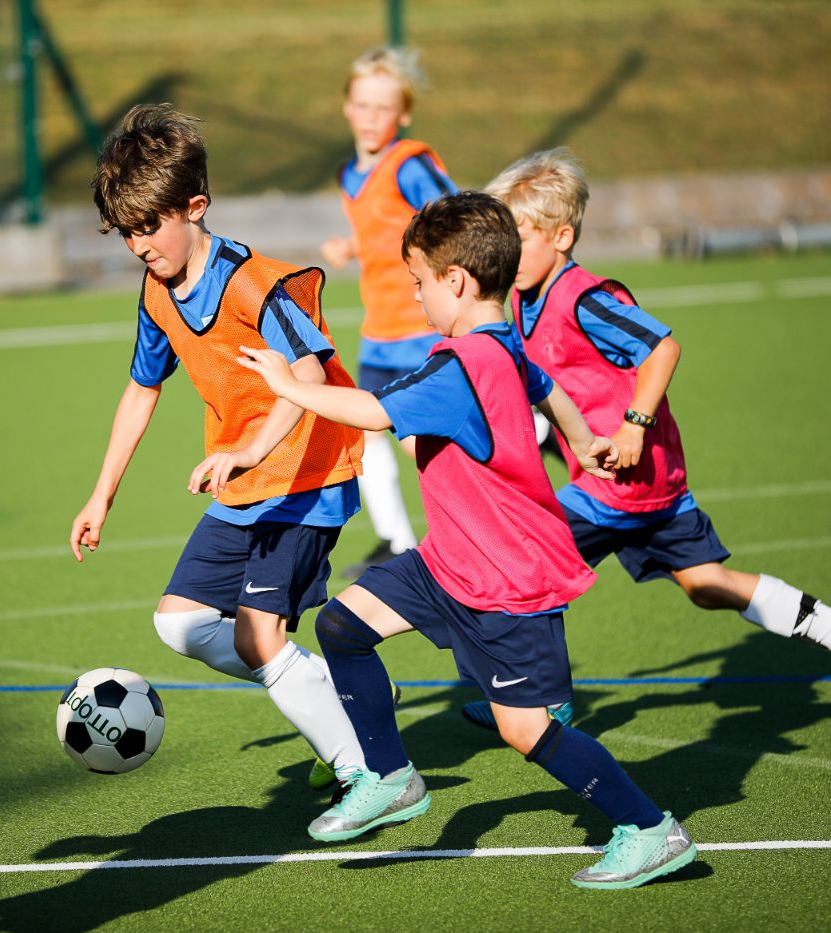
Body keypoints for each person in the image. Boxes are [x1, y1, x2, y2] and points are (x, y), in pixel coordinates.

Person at [239, 191, 697, 890]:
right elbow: (546, 385)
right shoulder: (505, 342)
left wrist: (286, 384)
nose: (415, 298)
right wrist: (582, 440)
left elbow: (368, 410)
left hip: (506, 578)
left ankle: (648, 827)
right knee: (342, 624)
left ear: (456, 281)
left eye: (419, 282)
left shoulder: (457, 364)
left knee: (525, 731)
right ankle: (392, 778)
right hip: (451, 558)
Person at [458, 148, 831, 734]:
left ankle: (541, 700)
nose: (510, 254)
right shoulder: (524, 299)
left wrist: (633, 424)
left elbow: (662, 349)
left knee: (530, 562)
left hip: (627, 481)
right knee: (706, 585)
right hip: (636, 480)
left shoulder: (586, 297)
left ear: (562, 237)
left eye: (523, 239)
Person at [70, 103, 371, 796]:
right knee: (180, 624)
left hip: (309, 474)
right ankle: (328, 698)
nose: (139, 244)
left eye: (149, 226)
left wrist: (247, 450)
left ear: (194, 207)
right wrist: (100, 494)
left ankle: (368, 769)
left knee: (258, 638)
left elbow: (310, 377)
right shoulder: (156, 292)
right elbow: (142, 390)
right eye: (126, 232)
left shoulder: (254, 281)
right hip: (248, 482)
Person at [321, 46, 456, 578]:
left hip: (422, 325)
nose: (371, 117)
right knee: (366, 431)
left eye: (383, 107)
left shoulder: (411, 164)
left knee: (422, 437)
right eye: (362, 105)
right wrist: (352, 249)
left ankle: (538, 438)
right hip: (380, 329)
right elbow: (385, 230)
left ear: (404, 113)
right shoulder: (349, 174)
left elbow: (455, 219)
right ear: (347, 107)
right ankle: (398, 541)